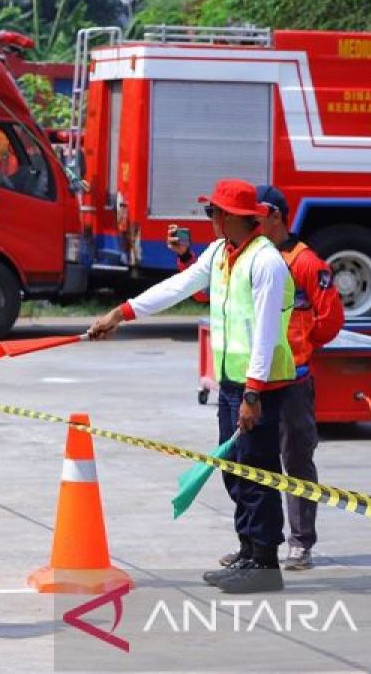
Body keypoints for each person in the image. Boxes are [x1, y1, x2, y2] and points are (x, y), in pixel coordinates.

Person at [89, 179, 302, 594]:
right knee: (234, 468)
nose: (209, 220)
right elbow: (177, 289)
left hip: (259, 384)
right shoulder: (222, 254)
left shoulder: (266, 262)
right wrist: (121, 313)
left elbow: (263, 331)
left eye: (213, 213)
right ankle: (247, 550)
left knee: (256, 471)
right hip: (231, 381)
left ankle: (264, 563)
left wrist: (253, 393)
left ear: (230, 217)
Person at [167, 187, 345, 572]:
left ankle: (299, 544)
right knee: (244, 464)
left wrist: (298, 347)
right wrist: (185, 257)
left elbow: (329, 319)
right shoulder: (241, 254)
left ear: (273, 216)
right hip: (251, 380)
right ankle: (251, 546)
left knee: (294, 458)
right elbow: (206, 293)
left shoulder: (302, 262)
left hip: (289, 378)